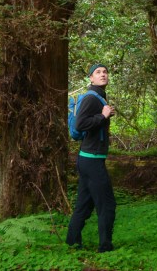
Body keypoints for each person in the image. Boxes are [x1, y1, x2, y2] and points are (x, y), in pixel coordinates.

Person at [66, 63, 116, 252]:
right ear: (91, 78)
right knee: (107, 205)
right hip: (92, 159)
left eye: (105, 72)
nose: (103, 74)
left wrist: (105, 115)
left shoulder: (100, 97)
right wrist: (103, 117)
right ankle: (105, 246)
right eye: (98, 72)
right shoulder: (91, 98)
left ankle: (72, 242)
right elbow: (80, 124)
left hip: (88, 159)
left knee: (84, 205)